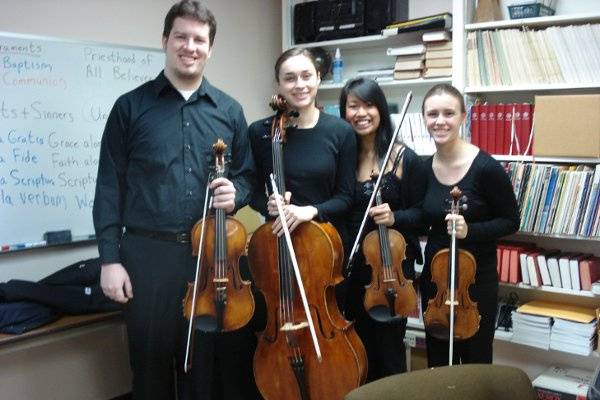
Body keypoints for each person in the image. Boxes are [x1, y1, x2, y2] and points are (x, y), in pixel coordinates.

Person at [92, 2, 256, 399]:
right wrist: (110, 260)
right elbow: (109, 187)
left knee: (202, 367)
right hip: (146, 257)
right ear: (165, 40)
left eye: (199, 39)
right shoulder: (130, 108)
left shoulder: (230, 111)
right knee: (148, 366)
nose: (190, 46)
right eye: (181, 36)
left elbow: (247, 176)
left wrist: (238, 193)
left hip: (208, 259)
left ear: (210, 48)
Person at [419, 83, 519, 367]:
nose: (440, 121)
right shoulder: (424, 169)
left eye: (449, 113)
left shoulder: (486, 168)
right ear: (424, 118)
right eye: (432, 114)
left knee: (475, 365)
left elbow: (511, 221)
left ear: (463, 117)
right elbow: (420, 216)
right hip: (436, 281)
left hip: (476, 282)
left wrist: (470, 231)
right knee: (438, 363)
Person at [339, 77, 427, 380]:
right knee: (355, 353)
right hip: (350, 270)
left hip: (390, 272)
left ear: (380, 109)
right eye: (353, 106)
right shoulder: (343, 158)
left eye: (368, 105)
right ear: (344, 112)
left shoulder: (404, 158)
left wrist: (395, 217)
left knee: (389, 355)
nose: (361, 113)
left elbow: (423, 214)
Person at [249, 47, 356, 239]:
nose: (300, 85)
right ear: (279, 85)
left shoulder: (341, 131)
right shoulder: (259, 132)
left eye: (306, 76)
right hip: (278, 241)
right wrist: (267, 204)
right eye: (290, 78)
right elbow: (252, 191)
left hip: (326, 242)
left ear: (318, 78)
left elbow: (346, 198)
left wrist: (311, 210)